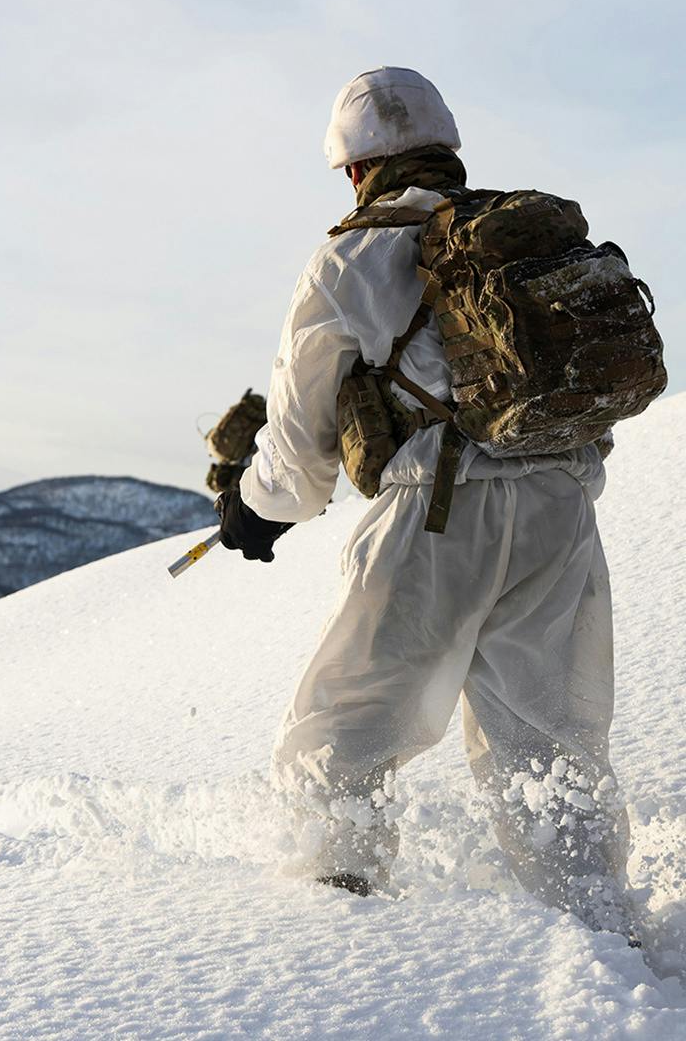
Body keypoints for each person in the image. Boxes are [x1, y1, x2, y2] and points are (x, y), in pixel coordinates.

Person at [217, 67, 635, 938]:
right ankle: (604, 938)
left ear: (353, 170)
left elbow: (296, 458)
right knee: (551, 752)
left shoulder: (349, 259)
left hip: (439, 512)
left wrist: (250, 509)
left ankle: (337, 934)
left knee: (342, 736)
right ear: (447, 150)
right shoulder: (519, 239)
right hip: (561, 505)